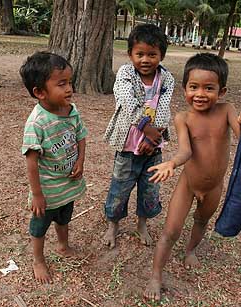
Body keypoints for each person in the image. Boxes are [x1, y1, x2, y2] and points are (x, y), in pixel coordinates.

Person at [144, 53, 241, 300]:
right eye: (194, 87)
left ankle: (191, 249)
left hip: (214, 186)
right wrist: (171, 163)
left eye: (209, 88)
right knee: (170, 231)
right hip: (188, 185)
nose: (200, 94)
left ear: (222, 91)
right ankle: (155, 276)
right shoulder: (183, 118)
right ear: (185, 89)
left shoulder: (226, 111)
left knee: (201, 221)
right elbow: (185, 150)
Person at [103, 24, 175, 249]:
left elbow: (163, 109)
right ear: (130, 54)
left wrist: (153, 138)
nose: (146, 60)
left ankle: (141, 224)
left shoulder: (166, 79)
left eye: (152, 55)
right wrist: (146, 127)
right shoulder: (125, 73)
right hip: (127, 145)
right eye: (140, 54)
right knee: (119, 188)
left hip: (153, 148)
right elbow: (126, 101)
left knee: (150, 189)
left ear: (161, 55)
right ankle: (113, 225)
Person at [20, 52, 87, 283]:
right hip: (47, 190)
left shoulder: (71, 110)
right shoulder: (37, 123)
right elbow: (31, 162)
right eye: (61, 84)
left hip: (67, 184)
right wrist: (37, 194)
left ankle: (63, 246)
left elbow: (81, 136)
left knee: (64, 218)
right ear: (39, 92)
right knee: (39, 227)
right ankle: (38, 259)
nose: (69, 88)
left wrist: (80, 161)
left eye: (70, 82)